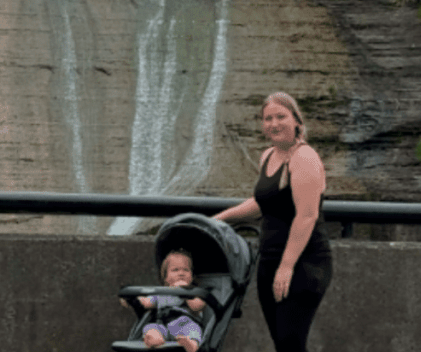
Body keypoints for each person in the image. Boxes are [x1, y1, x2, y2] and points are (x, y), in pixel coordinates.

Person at [212, 92, 332, 352]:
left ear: (297, 121)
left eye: (281, 116)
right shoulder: (268, 155)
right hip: (270, 258)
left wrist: (287, 266)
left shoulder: (304, 157)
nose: (274, 124)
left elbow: (307, 215)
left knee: (291, 343)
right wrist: (218, 220)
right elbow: (262, 203)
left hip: (303, 263)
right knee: (281, 343)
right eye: (268, 119)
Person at [121, 249, 206, 352]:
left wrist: (185, 293)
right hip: (162, 324)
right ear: (166, 277)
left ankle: (191, 344)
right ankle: (154, 339)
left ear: (192, 276)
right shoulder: (161, 292)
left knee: (193, 329)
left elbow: (198, 306)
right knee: (150, 327)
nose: (181, 273)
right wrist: (132, 299)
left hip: (184, 323)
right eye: (175, 270)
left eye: (186, 270)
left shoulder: (194, 292)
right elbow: (146, 303)